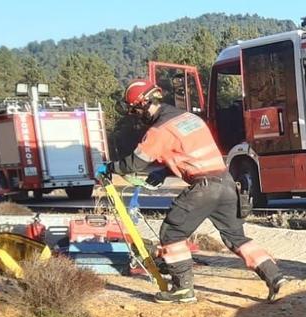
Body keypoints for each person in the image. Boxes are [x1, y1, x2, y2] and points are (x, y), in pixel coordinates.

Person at [97, 80, 285, 304]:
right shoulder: (188, 118)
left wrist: (110, 167)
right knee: (235, 237)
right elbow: (189, 150)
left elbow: (134, 164)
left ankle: (183, 290)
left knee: (172, 233)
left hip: (204, 187)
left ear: (144, 105)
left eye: (135, 111)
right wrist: (164, 170)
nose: (137, 116)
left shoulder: (159, 130)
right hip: (226, 182)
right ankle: (274, 275)